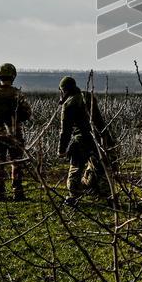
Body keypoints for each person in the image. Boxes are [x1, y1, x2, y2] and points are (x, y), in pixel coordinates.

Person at [57, 76, 110, 206]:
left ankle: (73, 197)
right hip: (98, 137)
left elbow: (65, 131)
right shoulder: (88, 96)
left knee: (75, 169)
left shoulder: (68, 104)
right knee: (99, 168)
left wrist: (61, 150)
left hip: (81, 140)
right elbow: (99, 120)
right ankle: (106, 195)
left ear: (63, 90)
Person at [0, 63, 31, 201]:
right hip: (13, 133)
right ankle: (18, 192)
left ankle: (0, 193)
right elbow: (27, 113)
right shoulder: (17, 93)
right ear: (13, 76)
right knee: (17, 163)